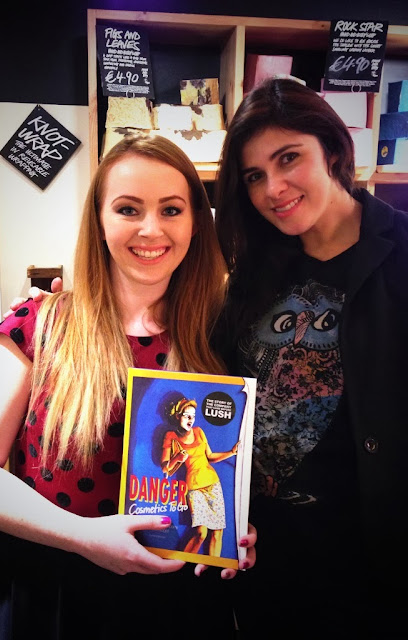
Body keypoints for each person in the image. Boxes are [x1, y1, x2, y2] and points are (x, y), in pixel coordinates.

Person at [0, 133, 256, 640]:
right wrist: (83, 536)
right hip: (50, 596)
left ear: (197, 222)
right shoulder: (38, 325)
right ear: (99, 220)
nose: (151, 229)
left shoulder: (220, 335)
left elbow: (229, 468)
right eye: (128, 209)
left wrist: (237, 528)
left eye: (171, 210)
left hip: (178, 601)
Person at [213, 77, 408, 638]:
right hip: (265, 556)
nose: (273, 188)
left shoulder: (401, 254)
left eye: (288, 158)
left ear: (333, 149)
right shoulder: (253, 271)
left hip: (373, 564)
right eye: (254, 176)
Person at [161, 397, 238, 557]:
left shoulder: (199, 431)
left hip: (213, 483)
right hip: (195, 488)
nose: (191, 420)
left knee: (218, 531)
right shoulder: (171, 436)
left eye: (193, 416)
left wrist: (231, 452)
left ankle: (214, 565)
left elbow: (210, 456)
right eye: (187, 416)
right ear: (178, 416)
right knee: (201, 533)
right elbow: (165, 468)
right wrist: (177, 458)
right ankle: (180, 563)